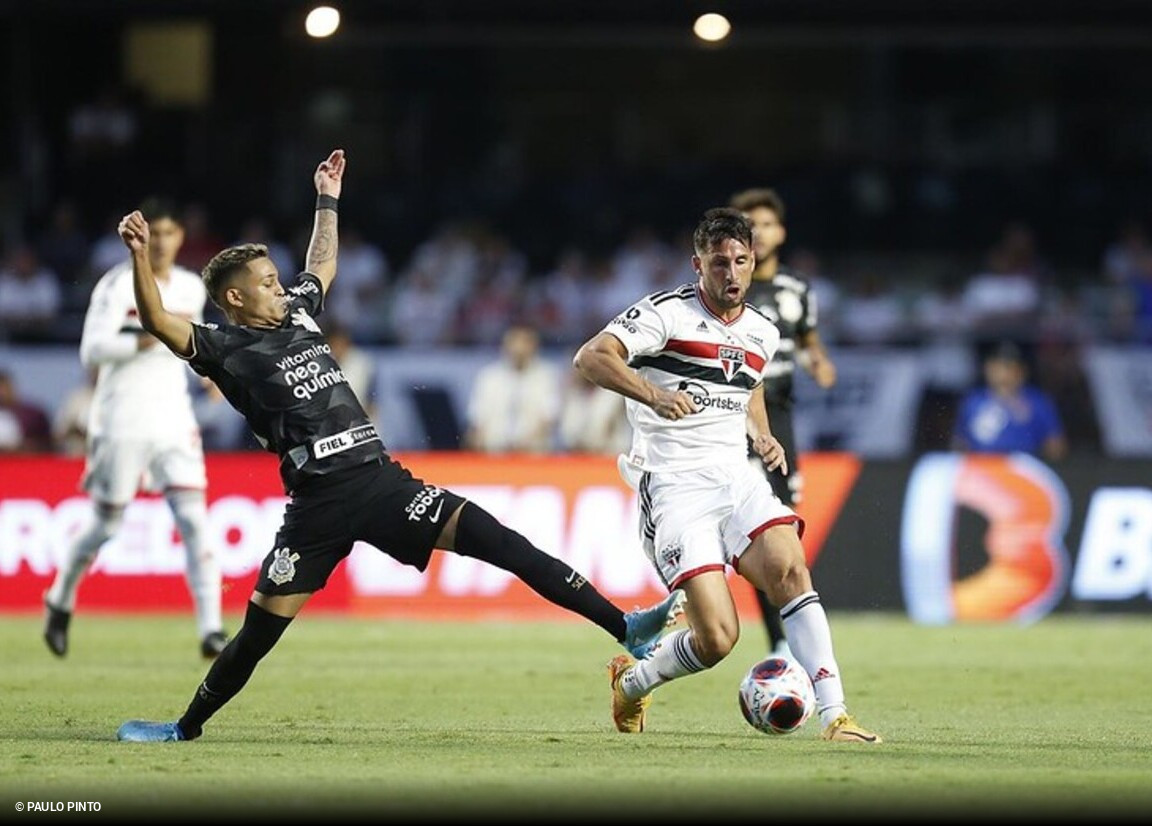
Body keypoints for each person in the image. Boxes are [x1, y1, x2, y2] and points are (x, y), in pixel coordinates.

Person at [113, 149, 683, 743]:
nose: (280, 289)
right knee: (257, 637)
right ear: (235, 300)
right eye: (265, 284)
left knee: (504, 543)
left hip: (382, 481)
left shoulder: (300, 315)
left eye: (277, 279)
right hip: (319, 506)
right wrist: (138, 257)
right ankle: (185, 727)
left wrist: (327, 198)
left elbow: (322, 262)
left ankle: (626, 627)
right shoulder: (223, 348)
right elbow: (156, 319)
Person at [573, 207, 880, 743]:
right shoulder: (665, 314)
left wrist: (760, 434)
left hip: (736, 477)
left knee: (791, 571)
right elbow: (591, 357)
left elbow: (747, 385)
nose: (732, 273)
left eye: (741, 261)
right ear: (699, 264)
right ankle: (632, 681)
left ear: (753, 259)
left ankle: (836, 716)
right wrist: (654, 394)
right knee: (717, 638)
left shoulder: (762, 330)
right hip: (674, 484)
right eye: (719, 263)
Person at [42, 198, 227, 660]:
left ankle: (212, 629)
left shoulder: (189, 287)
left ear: (181, 237)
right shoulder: (116, 285)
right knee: (106, 525)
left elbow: (193, 346)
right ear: (140, 237)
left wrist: (210, 374)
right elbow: (91, 351)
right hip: (121, 416)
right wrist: (150, 334)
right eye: (155, 234)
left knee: (195, 522)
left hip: (172, 418)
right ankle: (60, 597)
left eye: (170, 234)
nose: (162, 243)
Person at [729, 188, 837, 660]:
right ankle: (776, 639)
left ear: (781, 233)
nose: (761, 232)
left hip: (781, 421)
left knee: (782, 531)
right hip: (732, 418)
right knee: (747, 527)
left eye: (768, 224)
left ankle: (783, 639)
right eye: (750, 225)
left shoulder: (797, 289)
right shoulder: (730, 284)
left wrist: (819, 361)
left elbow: (809, 339)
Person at [951, 340, 1067, 459]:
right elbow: (960, 443)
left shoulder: (1038, 401)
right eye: (997, 367)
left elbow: (1056, 448)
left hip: (1022, 466)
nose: (1003, 374)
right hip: (981, 468)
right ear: (987, 368)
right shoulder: (973, 400)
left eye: (1010, 368)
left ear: (1022, 371)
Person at [463, 322, 558, 453]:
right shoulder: (489, 377)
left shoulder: (546, 376)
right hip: (494, 454)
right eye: (514, 342)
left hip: (533, 455)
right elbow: (478, 419)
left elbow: (549, 418)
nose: (519, 348)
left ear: (534, 346)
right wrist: (478, 443)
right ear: (505, 345)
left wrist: (523, 444)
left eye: (524, 343)